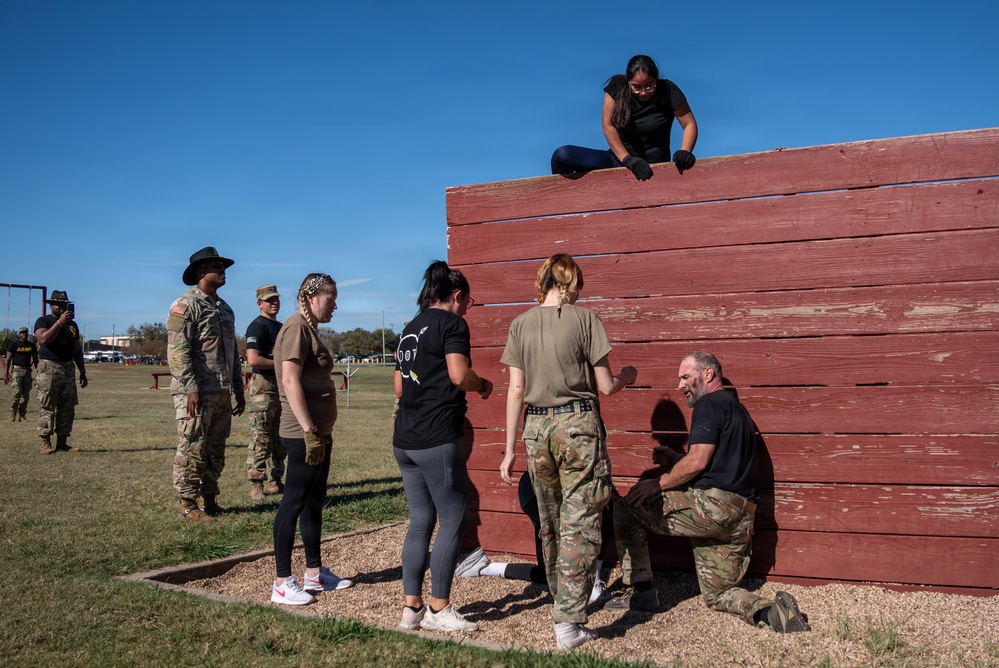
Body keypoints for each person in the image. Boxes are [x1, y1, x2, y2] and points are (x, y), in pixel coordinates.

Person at [609, 352, 810, 633]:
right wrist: (675, 459)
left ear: (708, 375)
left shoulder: (709, 403)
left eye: (685, 376)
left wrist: (657, 483)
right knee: (718, 594)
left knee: (626, 508)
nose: (680, 384)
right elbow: (717, 469)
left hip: (713, 509)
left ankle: (641, 594)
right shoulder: (739, 412)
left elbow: (699, 461)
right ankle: (773, 614)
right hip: (740, 518)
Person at [499, 253, 638, 650]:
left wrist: (508, 450)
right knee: (582, 522)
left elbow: (515, 391)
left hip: (535, 428)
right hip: (576, 426)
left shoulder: (519, 324)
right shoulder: (585, 319)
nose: (582, 291)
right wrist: (628, 375)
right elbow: (607, 386)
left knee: (551, 521)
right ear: (569, 281)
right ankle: (568, 622)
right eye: (579, 283)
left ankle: (563, 602)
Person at [393, 260, 493, 632]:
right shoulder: (453, 323)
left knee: (420, 520)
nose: (468, 307)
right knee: (452, 518)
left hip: (405, 438)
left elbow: (399, 387)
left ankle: (411, 609)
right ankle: (439, 608)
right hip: (437, 437)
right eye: (468, 301)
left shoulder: (409, 328)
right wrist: (482, 385)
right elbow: (458, 374)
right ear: (456, 295)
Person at [270, 273, 354, 605]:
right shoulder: (295, 328)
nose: (335, 304)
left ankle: (314, 574)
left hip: (319, 433)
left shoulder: (311, 329)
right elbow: (290, 382)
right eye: (331, 297)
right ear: (311, 298)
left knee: (314, 502)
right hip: (302, 434)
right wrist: (309, 432)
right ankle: (281, 582)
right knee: (293, 503)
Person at [167, 247, 245, 522]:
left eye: (223, 266)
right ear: (201, 271)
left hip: (221, 391)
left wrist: (237, 387)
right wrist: (190, 388)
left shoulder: (225, 309)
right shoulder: (186, 305)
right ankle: (187, 504)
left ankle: (209, 499)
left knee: (215, 448)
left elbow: (232, 353)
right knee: (193, 446)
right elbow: (178, 351)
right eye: (216, 266)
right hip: (196, 391)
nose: (223, 271)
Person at [455, 471, 614, 605]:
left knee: (547, 574)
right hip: (541, 492)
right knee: (599, 504)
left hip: (541, 490)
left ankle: (483, 567)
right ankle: (590, 582)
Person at [550, 54, 698, 180]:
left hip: (653, 169)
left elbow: (689, 124)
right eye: (636, 87)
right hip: (620, 160)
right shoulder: (617, 87)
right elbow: (608, 125)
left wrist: (685, 151)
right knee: (562, 155)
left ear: (656, 80)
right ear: (628, 83)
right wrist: (628, 160)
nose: (643, 92)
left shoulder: (668, 90)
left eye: (649, 86)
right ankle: (556, 200)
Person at [245, 284, 286, 501]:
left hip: (282, 387)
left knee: (281, 438)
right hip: (263, 388)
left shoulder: (280, 327)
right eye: (269, 300)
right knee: (261, 437)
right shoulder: (257, 327)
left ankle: (275, 479)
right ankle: (256, 483)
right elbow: (253, 359)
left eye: (276, 299)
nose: (274, 303)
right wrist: (281, 364)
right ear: (259, 303)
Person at [34, 291, 88, 454]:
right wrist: (59, 322)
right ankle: (45, 442)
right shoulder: (44, 320)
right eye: (59, 305)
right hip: (50, 367)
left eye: (65, 305)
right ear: (51, 306)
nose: (63, 308)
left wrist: (82, 371)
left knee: (67, 406)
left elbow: (77, 349)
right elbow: (43, 339)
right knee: (48, 404)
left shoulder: (72, 325)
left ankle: (63, 441)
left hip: (67, 367)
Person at [5, 326, 38, 422]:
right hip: (17, 370)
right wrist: (6, 373)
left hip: (27, 371)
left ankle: (22, 416)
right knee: (16, 393)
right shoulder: (14, 345)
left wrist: (39, 373)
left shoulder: (31, 346)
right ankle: (12, 414)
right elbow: (8, 359)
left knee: (25, 395)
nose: (24, 334)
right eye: (22, 333)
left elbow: (36, 361)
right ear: (19, 334)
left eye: (25, 333)